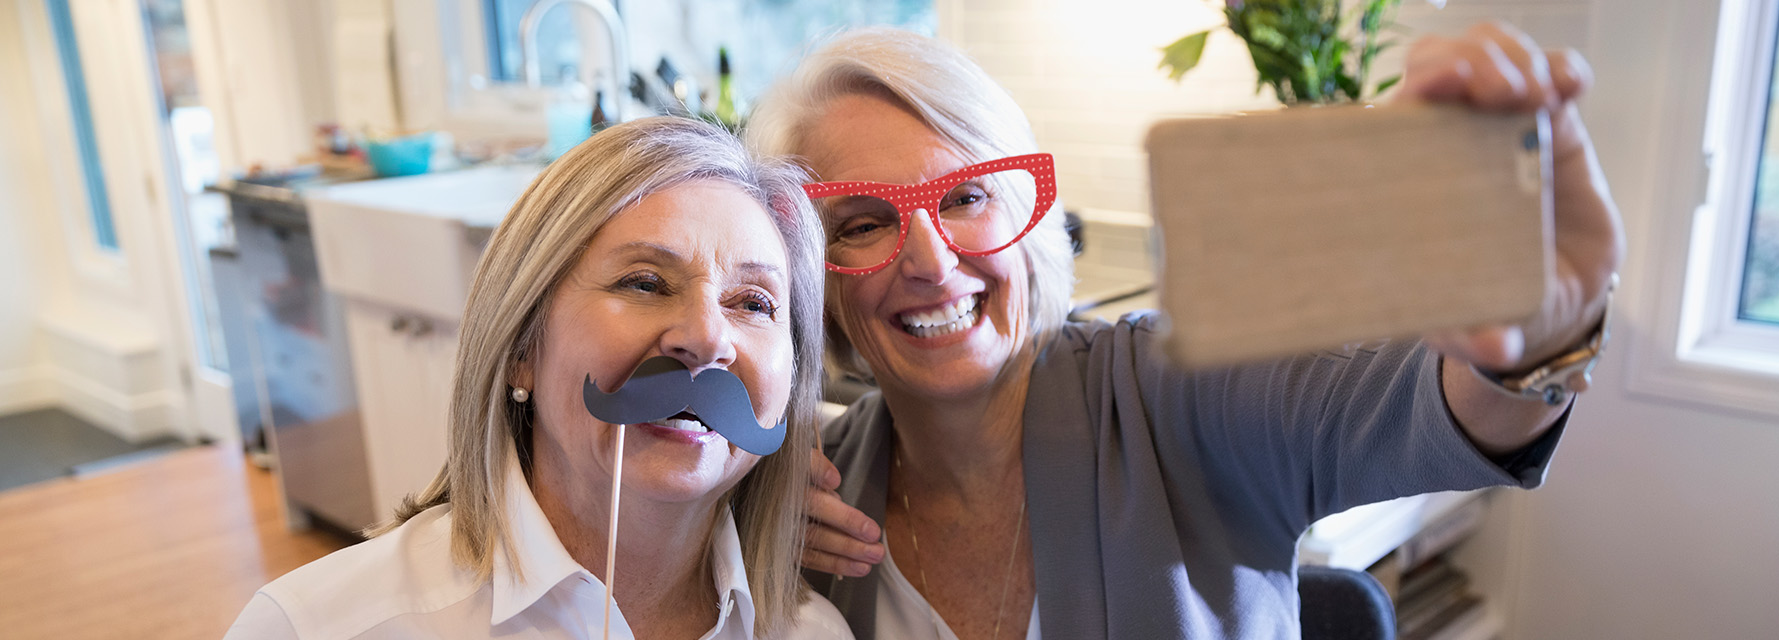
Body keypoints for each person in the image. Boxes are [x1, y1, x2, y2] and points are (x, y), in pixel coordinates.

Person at [745, 23, 1624, 640]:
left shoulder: (1172, 391)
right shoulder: (810, 504)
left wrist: (1542, 334)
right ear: (809, 280)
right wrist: (736, 510)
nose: (933, 263)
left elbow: (1427, 410)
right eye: (863, 223)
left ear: (1027, 214)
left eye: (966, 197)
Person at [224, 118, 852, 640]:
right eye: (644, 283)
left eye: (754, 303)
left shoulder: (815, 633)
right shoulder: (317, 628)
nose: (708, 338)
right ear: (522, 346)